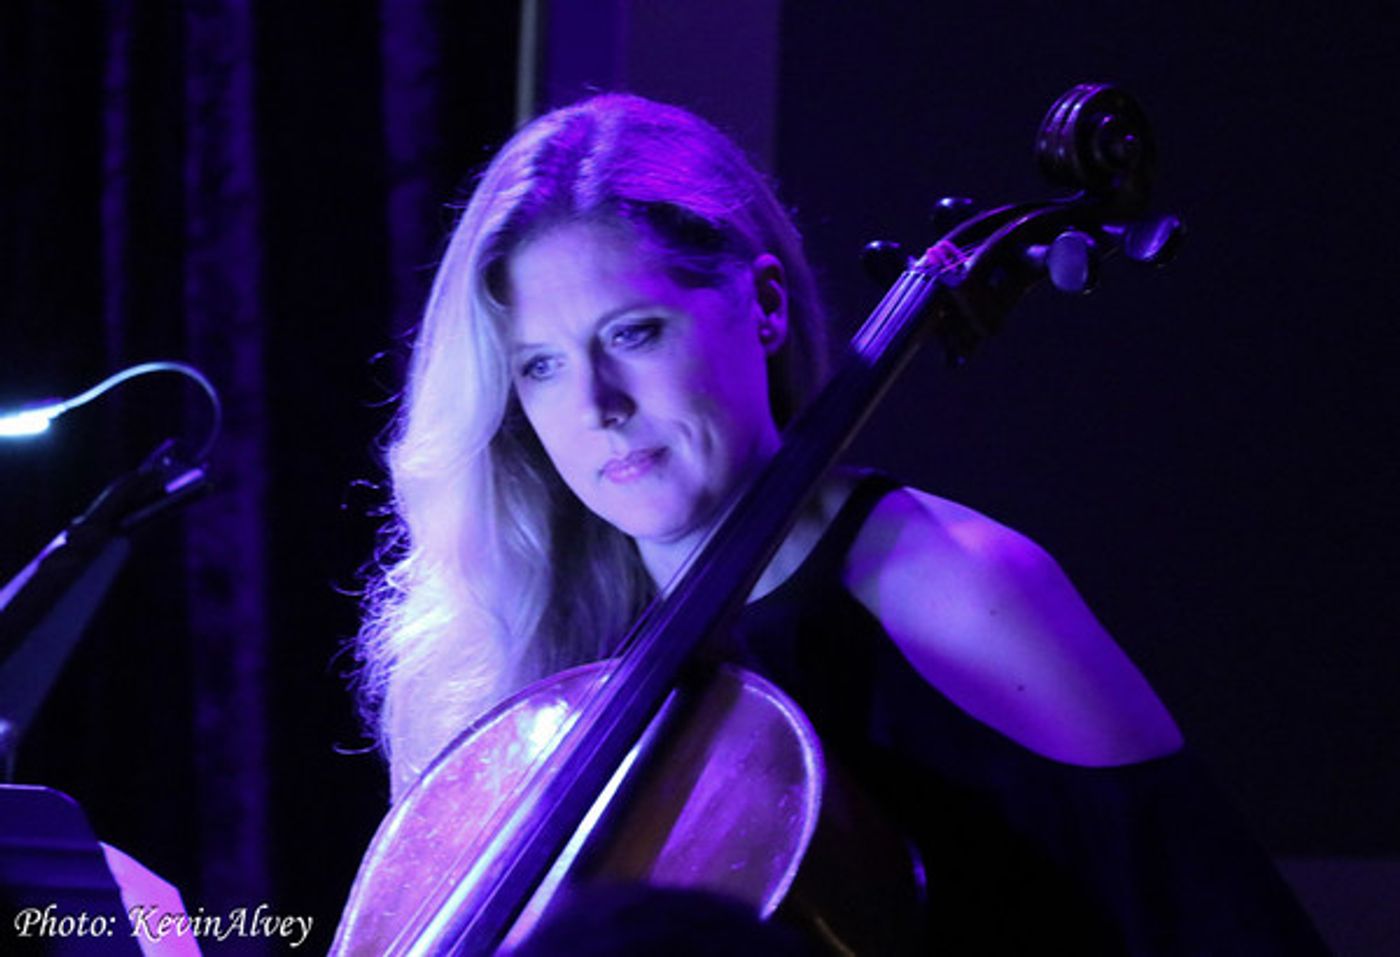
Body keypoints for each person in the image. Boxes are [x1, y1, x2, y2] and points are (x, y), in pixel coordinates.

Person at [353, 93, 1326, 953]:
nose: (596, 406)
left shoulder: (958, 585)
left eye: (633, 333)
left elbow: (1220, 922)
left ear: (765, 305)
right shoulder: (555, 653)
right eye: (541, 366)